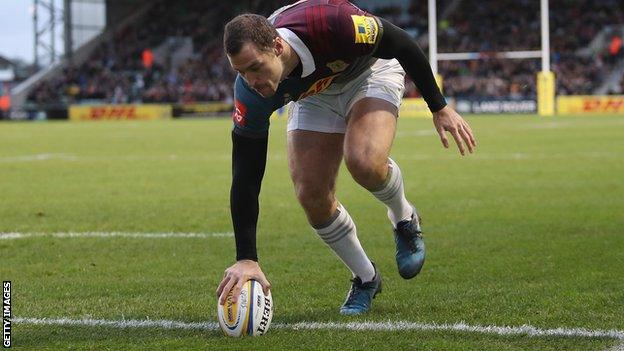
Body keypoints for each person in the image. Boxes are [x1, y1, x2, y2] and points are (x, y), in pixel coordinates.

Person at [217, 0, 476, 315]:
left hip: (368, 71)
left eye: (255, 67)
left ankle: (404, 217)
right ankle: (366, 278)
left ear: (278, 46)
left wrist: (438, 106)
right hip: (314, 95)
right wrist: (247, 258)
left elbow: (401, 42)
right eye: (240, 72)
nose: (250, 81)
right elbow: (245, 174)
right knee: (311, 194)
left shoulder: (333, 23)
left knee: (364, 162)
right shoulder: (249, 93)